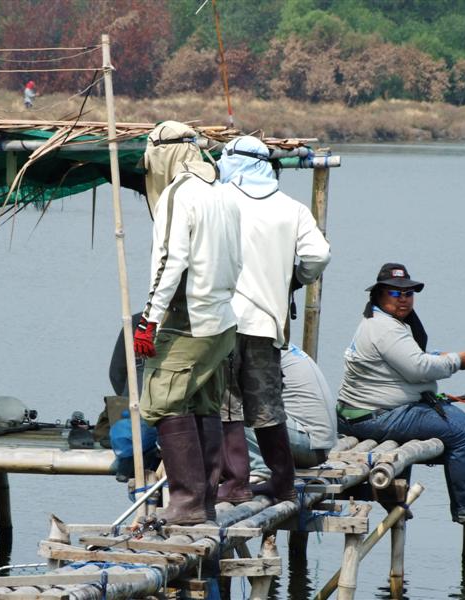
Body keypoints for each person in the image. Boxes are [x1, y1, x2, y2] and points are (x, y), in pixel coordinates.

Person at [336, 262, 465, 535]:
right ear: (379, 295)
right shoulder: (386, 329)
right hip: (376, 417)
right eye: (394, 293)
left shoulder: (378, 322)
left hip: (361, 415)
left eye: (408, 293)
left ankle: (392, 496)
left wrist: (444, 360)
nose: (403, 299)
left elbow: (408, 363)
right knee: (463, 430)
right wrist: (456, 362)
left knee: (443, 416)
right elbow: (419, 368)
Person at [133, 121, 243, 525]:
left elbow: (169, 262)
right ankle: (204, 501)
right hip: (222, 322)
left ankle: (185, 502)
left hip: (190, 320)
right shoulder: (222, 194)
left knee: (160, 400)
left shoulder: (179, 194)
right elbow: (237, 261)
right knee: (201, 403)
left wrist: (148, 321)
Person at [216, 136, 331, 504]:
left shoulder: (223, 200)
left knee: (229, 405)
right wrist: (295, 279)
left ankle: (235, 483)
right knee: (267, 406)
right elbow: (318, 255)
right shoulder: (291, 208)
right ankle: (282, 480)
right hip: (268, 324)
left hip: (228, 318)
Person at [246, 343, 337, 480]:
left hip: (308, 445)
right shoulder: (278, 344)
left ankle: (262, 469)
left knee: (232, 407)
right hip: (317, 445)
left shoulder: (258, 350)